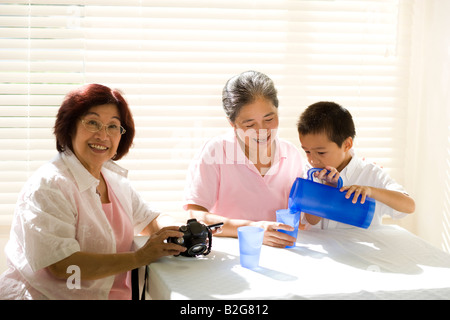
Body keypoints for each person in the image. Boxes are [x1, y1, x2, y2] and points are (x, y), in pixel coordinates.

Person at [0, 84, 186, 300]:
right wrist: (139, 257)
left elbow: (150, 219)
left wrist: (178, 231)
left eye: (113, 126)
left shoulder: (113, 179)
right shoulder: (50, 185)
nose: (102, 135)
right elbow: (63, 264)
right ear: (70, 127)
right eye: (92, 123)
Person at [184, 71, 306, 247]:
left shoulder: (291, 154)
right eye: (250, 125)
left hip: (283, 256)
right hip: (232, 257)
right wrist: (252, 228)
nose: (262, 130)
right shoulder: (216, 151)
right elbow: (195, 216)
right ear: (232, 124)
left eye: (269, 119)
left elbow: (304, 218)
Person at [297, 101, 415, 229]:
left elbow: (409, 206)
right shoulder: (310, 173)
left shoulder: (370, 173)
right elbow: (311, 220)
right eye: (307, 151)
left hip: (359, 247)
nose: (313, 160)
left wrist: (370, 191)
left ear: (347, 144)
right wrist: (328, 188)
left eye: (321, 152)